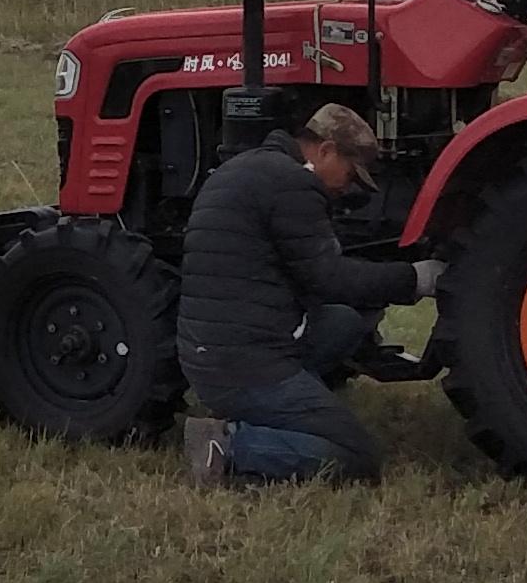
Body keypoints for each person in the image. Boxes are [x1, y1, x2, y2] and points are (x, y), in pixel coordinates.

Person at [176, 102, 443, 487]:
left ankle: (290, 406)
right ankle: (229, 446)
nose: (347, 187)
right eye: (351, 174)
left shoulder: (252, 166)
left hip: (212, 349)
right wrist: (416, 279)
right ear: (326, 150)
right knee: (355, 454)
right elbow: (330, 278)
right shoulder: (294, 184)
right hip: (244, 364)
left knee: (346, 324)